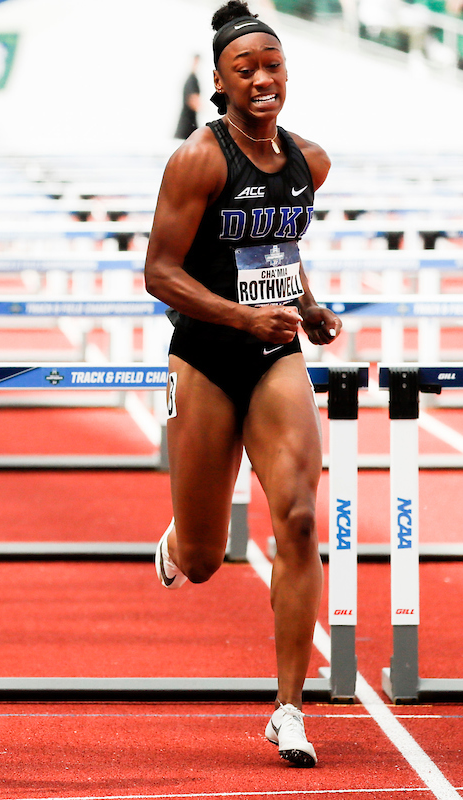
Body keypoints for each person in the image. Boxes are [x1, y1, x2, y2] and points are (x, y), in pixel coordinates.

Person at [143, 0, 342, 769]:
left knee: (296, 518)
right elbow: (158, 274)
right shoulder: (199, 158)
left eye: (274, 67)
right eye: (246, 70)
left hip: (274, 354)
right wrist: (237, 317)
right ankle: (181, 537)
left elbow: (278, 249)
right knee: (204, 559)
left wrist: (309, 307)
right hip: (204, 355)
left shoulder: (309, 162)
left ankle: (289, 708)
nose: (264, 80)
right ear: (220, 83)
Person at [174, 53, 201, 140]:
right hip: (187, 125)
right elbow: (193, 100)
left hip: (189, 124)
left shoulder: (192, 79)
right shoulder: (191, 80)